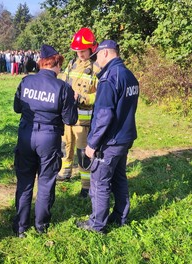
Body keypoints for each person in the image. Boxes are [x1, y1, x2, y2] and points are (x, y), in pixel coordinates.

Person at [13, 44, 78, 237]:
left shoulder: (26, 81)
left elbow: (17, 108)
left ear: (42, 63)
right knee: (46, 182)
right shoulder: (63, 87)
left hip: (26, 135)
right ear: (56, 63)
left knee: (24, 182)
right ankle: (41, 225)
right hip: (49, 138)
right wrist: (72, 101)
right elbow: (70, 119)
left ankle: (20, 226)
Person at [77, 40, 139, 233]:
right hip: (124, 138)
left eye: (97, 57)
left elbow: (104, 115)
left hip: (110, 141)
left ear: (105, 54)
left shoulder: (109, 78)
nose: (97, 61)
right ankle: (120, 216)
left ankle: (97, 224)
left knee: (99, 181)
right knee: (119, 178)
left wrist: (92, 143)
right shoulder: (129, 75)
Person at [57, 27, 101, 198]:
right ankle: (65, 171)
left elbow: (101, 95)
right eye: (77, 51)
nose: (80, 54)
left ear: (92, 49)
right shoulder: (71, 63)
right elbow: (64, 81)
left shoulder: (97, 68)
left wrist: (82, 98)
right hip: (67, 116)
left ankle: (86, 185)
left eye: (83, 51)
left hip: (83, 120)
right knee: (65, 146)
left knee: (83, 152)